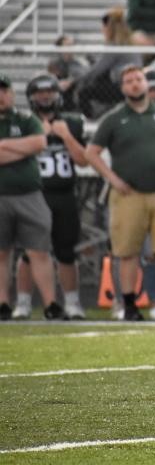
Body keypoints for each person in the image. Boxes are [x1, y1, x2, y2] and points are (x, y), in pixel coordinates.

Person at [84, 65, 155, 321]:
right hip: (128, 194)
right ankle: (129, 305)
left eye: (138, 79)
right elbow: (92, 152)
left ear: (147, 84)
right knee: (127, 251)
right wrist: (113, 179)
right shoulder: (114, 118)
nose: (134, 84)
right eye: (129, 81)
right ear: (122, 89)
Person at [11, 74, 87, 320]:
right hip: (33, 194)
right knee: (28, 252)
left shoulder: (72, 122)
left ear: (58, 95)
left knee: (66, 251)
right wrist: (38, 138)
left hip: (64, 195)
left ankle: (72, 303)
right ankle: (22, 303)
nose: (45, 97)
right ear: (31, 98)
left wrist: (66, 136)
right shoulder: (24, 123)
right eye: (39, 93)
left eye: (50, 93)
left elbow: (83, 160)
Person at [0, 73, 63, 321]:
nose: (1, 96)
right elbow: (29, 147)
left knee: (39, 250)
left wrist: (3, 146)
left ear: (12, 94)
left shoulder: (26, 119)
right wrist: (18, 148)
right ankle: (3, 303)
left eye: (4, 90)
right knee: (1, 252)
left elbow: (39, 143)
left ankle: (50, 304)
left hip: (29, 195)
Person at [74, 9, 141, 119]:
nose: (102, 30)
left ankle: (90, 119)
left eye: (104, 27)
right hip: (126, 82)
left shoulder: (114, 45)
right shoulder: (128, 43)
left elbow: (97, 70)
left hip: (122, 85)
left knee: (83, 91)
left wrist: (74, 81)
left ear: (109, 28)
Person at [47, 35, 89, 112]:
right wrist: (58, 83)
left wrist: (71, 81)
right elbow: (50, 76)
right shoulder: (54, 63)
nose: (70, 48)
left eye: (72, 45)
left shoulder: (76, 63)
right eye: (68, 45)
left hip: (73, 97)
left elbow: (83, 75)